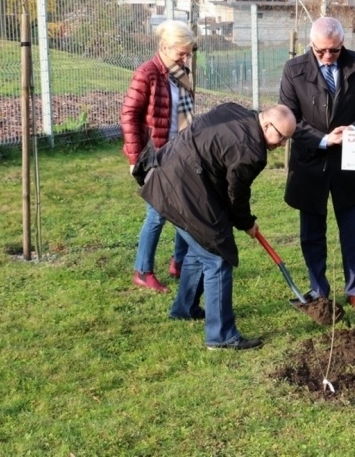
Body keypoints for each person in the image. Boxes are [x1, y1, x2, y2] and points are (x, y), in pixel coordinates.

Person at [139, 103, 296, 350]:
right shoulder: (252, 151)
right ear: (267, 125)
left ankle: (185, 308)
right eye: (282, 137)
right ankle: (221, 336)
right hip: (181, 190)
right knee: (218, 257)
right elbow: (236, 195)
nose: (283, 144)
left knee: (201, 248)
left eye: (288, 139)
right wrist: (247, 223)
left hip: (165, 172)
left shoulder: (234, 110)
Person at [278, 16, 355, 316]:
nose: (328, 56)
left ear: (343, 43)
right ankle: (318, 291)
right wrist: (324, 139)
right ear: (311, 44)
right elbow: (288, 118)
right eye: (321, 50)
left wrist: (353, 129)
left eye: (335, 50)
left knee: (353, 230)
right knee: (311, 232)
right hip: (309, 162)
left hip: (350, 160)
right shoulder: (293, 70)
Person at [121, 19, 198, 293]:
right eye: (181, 53)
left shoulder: (180, 73)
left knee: (185, 209)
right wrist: (135, 159)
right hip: (155, 156)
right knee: (157, 214)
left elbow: (185, 114)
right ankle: (143, 272)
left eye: (188, 53)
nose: (186, 58)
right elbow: (129, 115)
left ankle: (179, 262)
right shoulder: (147, 74)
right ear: (165, 47)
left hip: (181, 152)